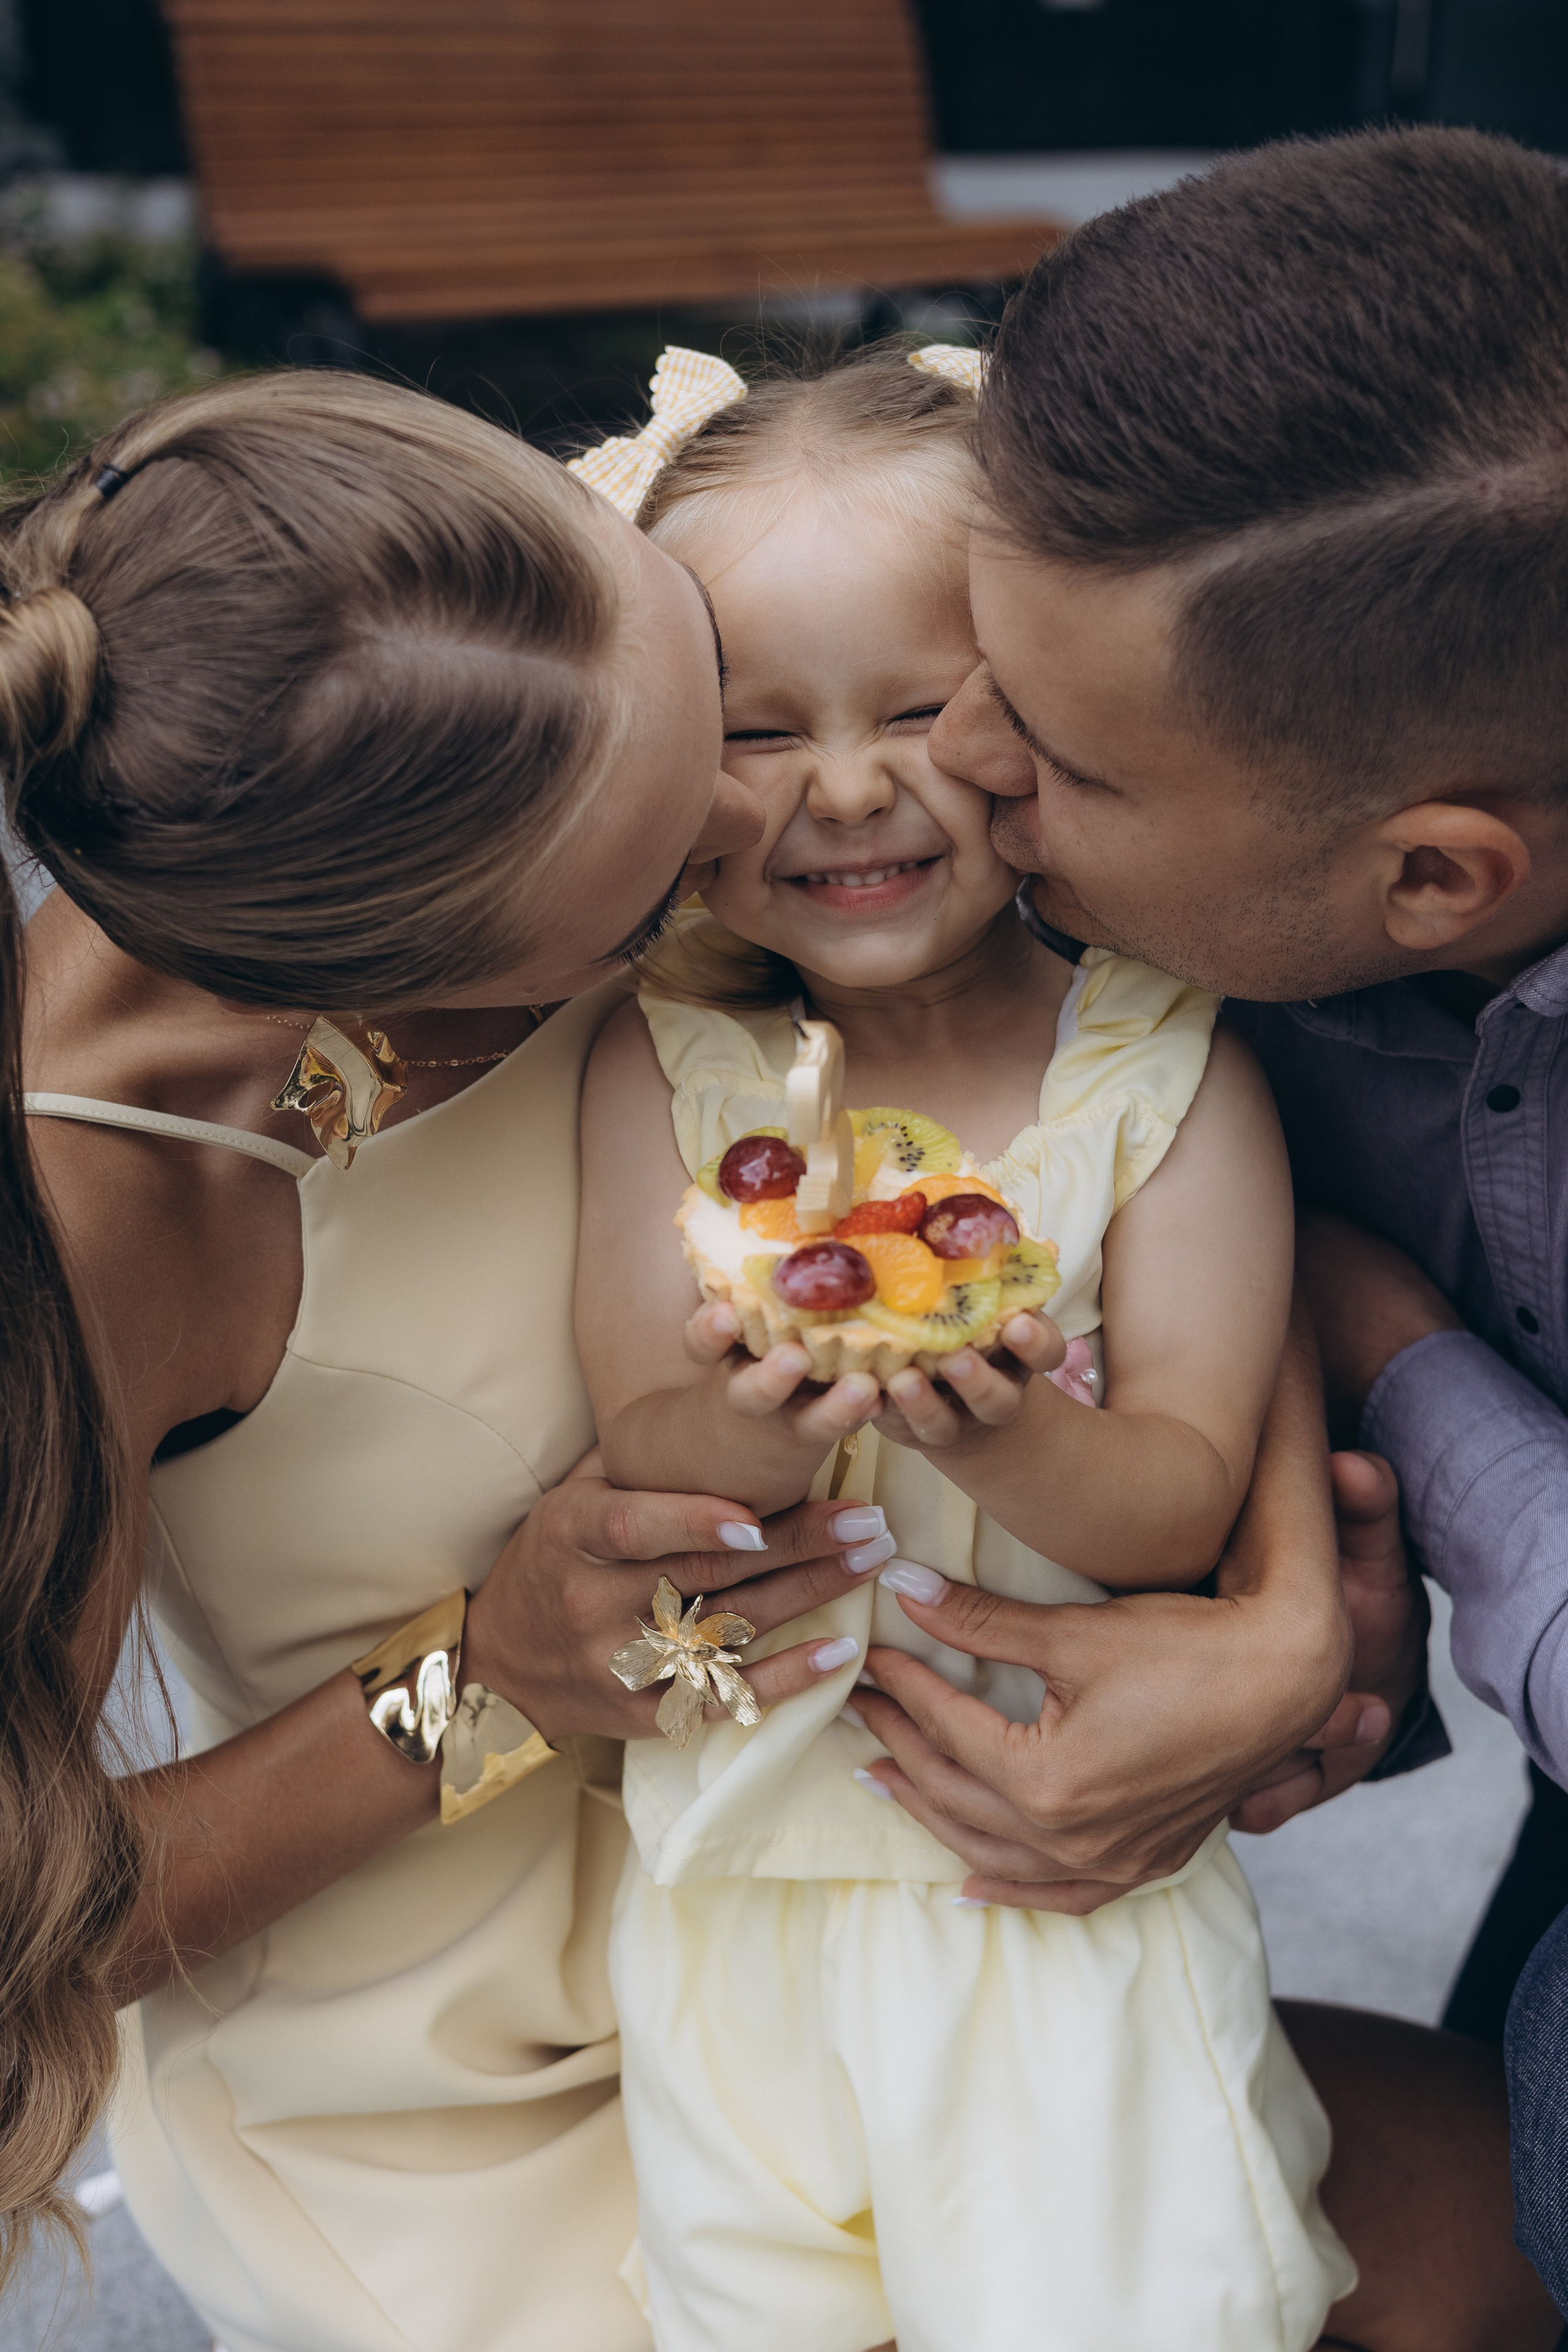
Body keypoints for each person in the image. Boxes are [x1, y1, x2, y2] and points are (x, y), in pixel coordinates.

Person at [0, 368, 897, 2350]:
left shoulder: (518, 634)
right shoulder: (83, 1236)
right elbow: (29, 1934)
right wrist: (478, 1681)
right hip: (475, 2108)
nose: (783, 810)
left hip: (841, 1921)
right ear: (409, 978)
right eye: (670, 869)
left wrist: (1273, 1600)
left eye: (726, 691)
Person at [856, 122, 1568, 2348]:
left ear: (1434, 881)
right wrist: (1283, 1588)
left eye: (1059, 752)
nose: (954, 762)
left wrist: (1376, 1359)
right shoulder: (1252, 853)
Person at [576, 348, 1349, 2351]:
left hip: (1046, 1877)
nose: (846, 786)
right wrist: (753, 1415)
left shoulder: (1161, 1072)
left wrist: (1000, 1429)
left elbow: (1179, 1496)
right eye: (757, 729)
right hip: (737, 1881)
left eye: (918, 707)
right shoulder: (669, 1077)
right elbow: (637, 1437)